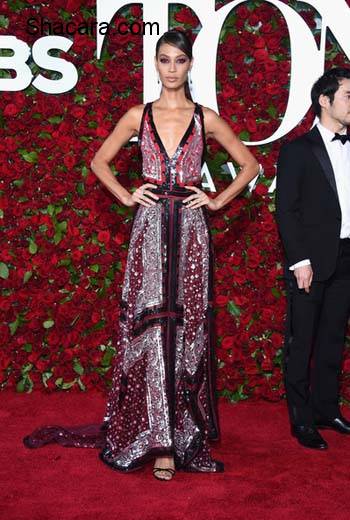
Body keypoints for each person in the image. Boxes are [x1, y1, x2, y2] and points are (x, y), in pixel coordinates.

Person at [23, 29, 259, 480]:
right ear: (155, 64)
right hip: (150, 228)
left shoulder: (206, 118)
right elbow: (99, 161)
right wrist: (127, 197)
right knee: (150, 327)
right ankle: (155, 438)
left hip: (190, 230)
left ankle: (180, 434)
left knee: (186, 329)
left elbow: (250, 163)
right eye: (164, 60)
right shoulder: (138, 115)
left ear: (190, 66)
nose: (172, 69)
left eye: (180, 61)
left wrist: (215, 199)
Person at [276, 67, 350, 450]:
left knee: (333, 339)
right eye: (348, 96)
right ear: (325, 100)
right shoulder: (297, 151)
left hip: (347, 256)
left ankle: (325, 409)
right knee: (302, 341)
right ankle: (302, 420)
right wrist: (299, 260)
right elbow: (286, 210)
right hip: (310, 260)